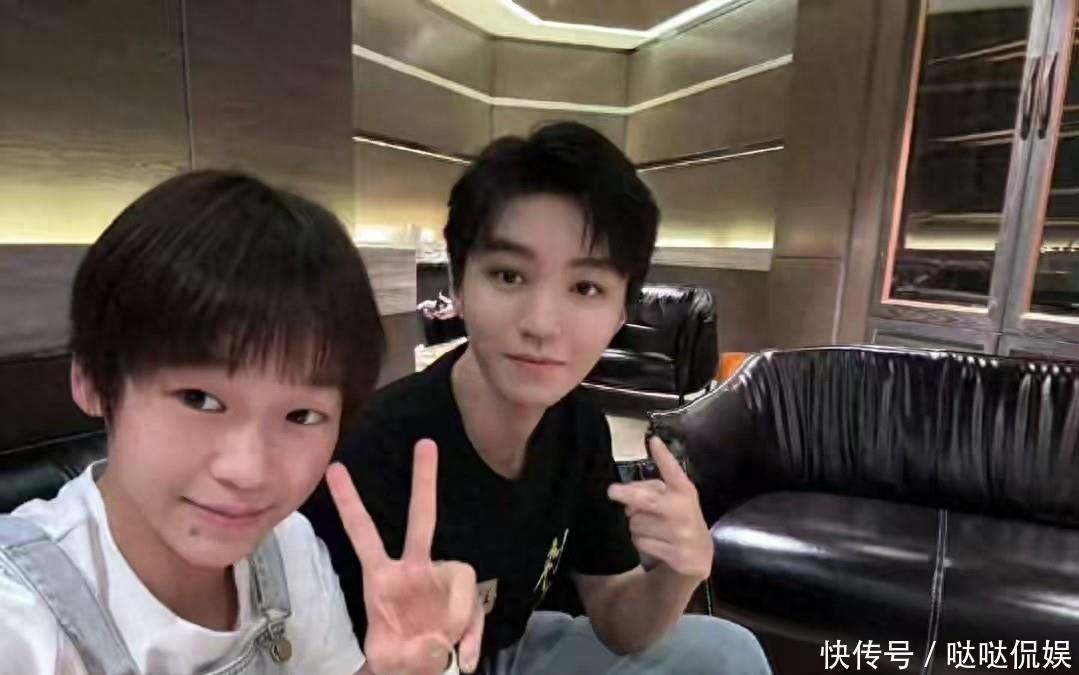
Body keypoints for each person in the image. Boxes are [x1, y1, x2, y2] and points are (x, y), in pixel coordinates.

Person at [303, 122, 772, 674]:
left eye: (585, 288)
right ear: (456, 285)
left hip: (514, 650)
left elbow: (620, 622)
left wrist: (679, 571)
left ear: (621, 313)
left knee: (727, 651)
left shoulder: (581, 427)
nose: (542, 324)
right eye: (508, 276)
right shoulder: (370, 453)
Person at [0, 171, 482, 675]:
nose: (249, 471)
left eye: (301, 415)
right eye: (199, 400)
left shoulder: (288, 545)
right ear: (93, 380)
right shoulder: (21, 618)